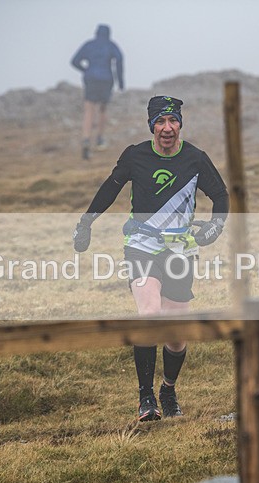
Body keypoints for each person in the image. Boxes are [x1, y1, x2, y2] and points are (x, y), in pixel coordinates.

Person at [73, 96, 229, 422]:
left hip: (180, 250)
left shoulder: (196, 159)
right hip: (141, 244)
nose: (167, 128)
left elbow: (221, 196)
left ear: (180, 124)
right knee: (149, 314)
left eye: (173, 121)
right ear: (152, 126)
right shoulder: (135, 156)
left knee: (176, 336)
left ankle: (167, 390)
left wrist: (215, 227)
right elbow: (108, 190)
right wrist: (86, 222)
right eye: (161, 122)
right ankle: (146, 399)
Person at [71, 24, 125, 161]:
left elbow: (74, 61)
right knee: (102, 109)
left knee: (89, 110)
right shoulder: (111, 45)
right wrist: (121, 81)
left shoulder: (89, 45)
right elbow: (119, 60)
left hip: (91, 79)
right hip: (106, 79)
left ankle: (86, 140)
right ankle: (100, 139)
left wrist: (85, 70)